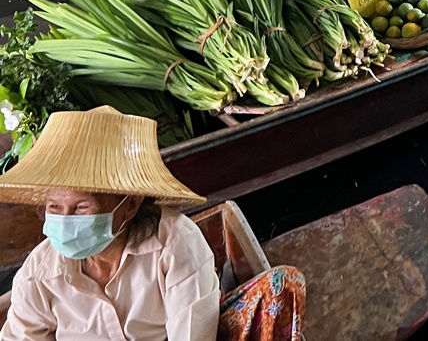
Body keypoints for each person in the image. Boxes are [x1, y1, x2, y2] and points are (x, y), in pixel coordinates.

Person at [0, 106, 305, 341]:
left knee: (283, 284)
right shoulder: (40, 274)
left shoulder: (175, 246)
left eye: (81, 208)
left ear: (129, 205)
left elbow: (190, 335)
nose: (64, 220)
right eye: (54, 207)